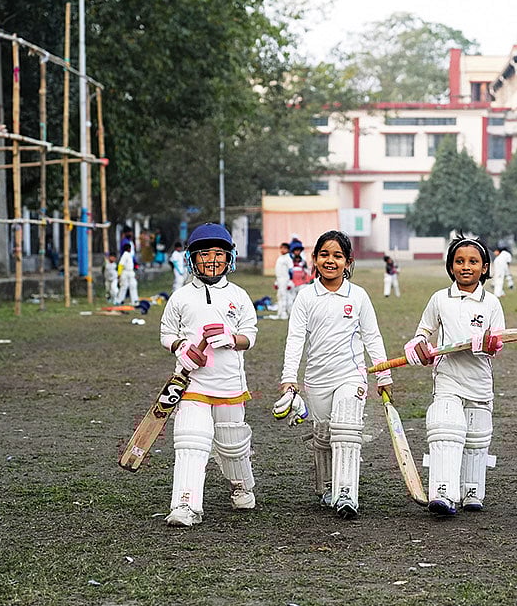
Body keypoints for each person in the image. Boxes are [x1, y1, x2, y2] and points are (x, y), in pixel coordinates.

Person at [277, 230, 393, 520]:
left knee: (346, 430)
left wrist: (383, 374)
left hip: (350, 376)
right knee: (324, 435)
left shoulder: (358, 295)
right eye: (324, 255)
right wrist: (289, 378)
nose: (331, 261)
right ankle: (328, 487)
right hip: (317, 379)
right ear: (314, 259)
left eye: (338, 256)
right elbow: (295, 340)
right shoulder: (305, 296)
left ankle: (347, 492)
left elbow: (372, 337)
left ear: (348, 261)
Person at [158, 223, 259, 526]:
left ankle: (241, 485)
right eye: (204, 254)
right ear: (192, 258)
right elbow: (166, 333)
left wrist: (231, 338)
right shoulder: (180, 297)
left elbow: (250, 336)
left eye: (218, 254)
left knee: (232, 444)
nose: (211, 260)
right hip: (192, 382)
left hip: (229, 384)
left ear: (230, 257)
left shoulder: (239, 296)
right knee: (191, 439)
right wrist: (181, 348)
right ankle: (185, 505)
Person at [403, 236, 505, 516]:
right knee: (445, 428)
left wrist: (490, 344)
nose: (466, 267)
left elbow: (499, 342)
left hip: (480, 381)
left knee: (475, 438)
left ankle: (472, 490)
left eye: (473, 262)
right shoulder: (439, 299)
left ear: (484, 267)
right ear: (450, 266)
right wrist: (417, 345)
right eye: (459, 261)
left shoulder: (491, 303)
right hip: (447, 376)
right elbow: (423, 331)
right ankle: (443, 492)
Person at [115, 238, 139, 306]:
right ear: (128, 248)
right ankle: (119, 300)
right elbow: (121, 264)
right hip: (125, 272)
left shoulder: (129, 255)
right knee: (124, 286)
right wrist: (119, 274)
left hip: (130, 272)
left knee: (133, 285)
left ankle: (134, 300)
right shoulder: (125, 255)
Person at [273, 242, 293, 319]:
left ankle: (285, 313)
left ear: (288, 250)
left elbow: (291, 270)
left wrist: (290, 281)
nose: (282, 250)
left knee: (285, 296)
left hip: (285, 279)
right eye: (281, 248)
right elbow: (278, 271)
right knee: (280, 296)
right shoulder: (280, 258)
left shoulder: (288, 258)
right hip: (279, 279)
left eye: (284, 248)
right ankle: (280, 312)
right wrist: (276, 282)